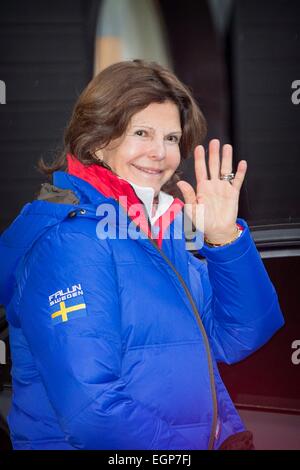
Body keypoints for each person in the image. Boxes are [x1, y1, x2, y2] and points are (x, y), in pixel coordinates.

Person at [0, 60, 284, 450]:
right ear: (99, 140)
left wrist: (223, 240)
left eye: (170, 138)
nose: (160, 153)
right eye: (142, 133)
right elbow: (93, 411)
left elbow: (239, 336)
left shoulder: (163, 230)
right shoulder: (69, 244)